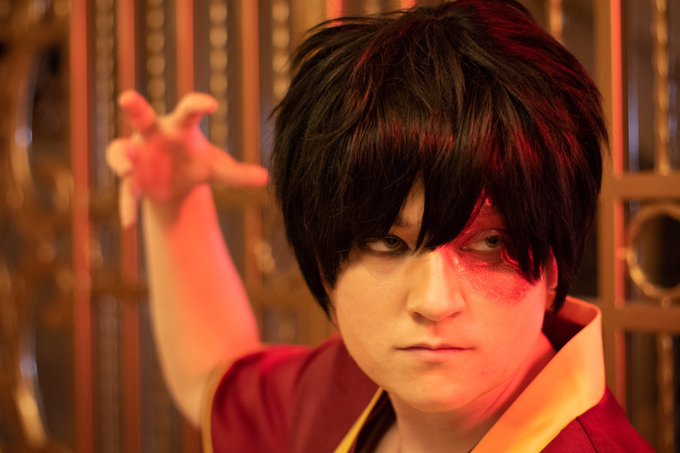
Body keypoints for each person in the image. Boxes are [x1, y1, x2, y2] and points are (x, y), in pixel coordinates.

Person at [107, 0, 653, 451]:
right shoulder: (349, 389)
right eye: (389, 241)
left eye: (490, 242)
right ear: (326, 273)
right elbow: (216, 382)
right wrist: (174, 202)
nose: (434, 302)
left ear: (551, 264)